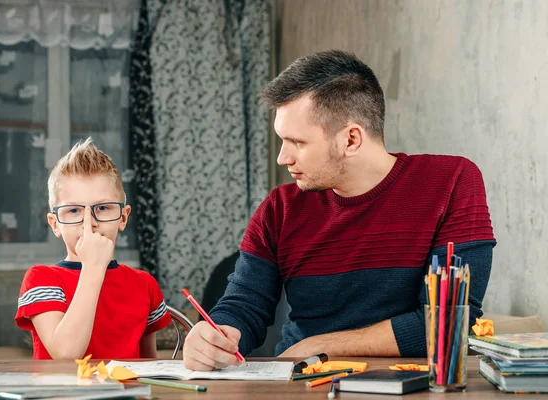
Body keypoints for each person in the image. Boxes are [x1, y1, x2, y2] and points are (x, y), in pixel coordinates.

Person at [183, 50, 496, 370]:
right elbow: (243, 306)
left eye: (297, 142)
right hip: (300, 380)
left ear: (351, 140)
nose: (282, 158)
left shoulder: (452, 182)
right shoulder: (280, 208)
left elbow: (450, 321)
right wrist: (214, 335)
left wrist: (320, 344)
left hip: (414, 384)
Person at [15, 138, 171, 359]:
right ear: (55, 224)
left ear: (123, 218)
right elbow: (66, 356)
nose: (89, 222)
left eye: (103, 207)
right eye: (74, 211)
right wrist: (93, 267)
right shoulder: (41, 279)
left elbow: (150, 366)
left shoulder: (144, 285)